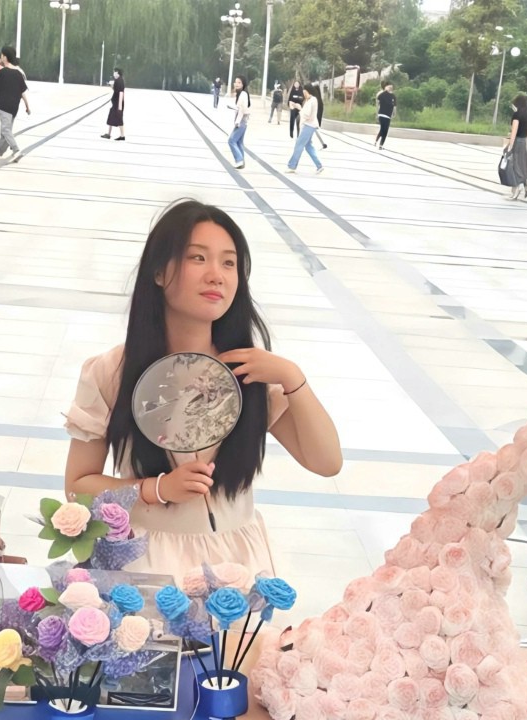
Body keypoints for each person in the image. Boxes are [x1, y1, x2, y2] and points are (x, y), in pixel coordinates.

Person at [63, 199, 342, 579]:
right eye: (198, 258)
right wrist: (157, 489)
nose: (216, 275)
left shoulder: (250, 372)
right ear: (159, 271)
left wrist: (293, 379)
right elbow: (77, 487)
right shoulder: (111, 371)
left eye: (229, 263)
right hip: (147, 561)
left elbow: (326, 462)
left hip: (240, 563)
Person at [0, 45, 30, 160]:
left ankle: (16, 150)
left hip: (3, 105)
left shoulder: (1, 72)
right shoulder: (18, 73)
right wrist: (27, 106)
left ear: (5, 57)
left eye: (2, 55)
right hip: (14, 107)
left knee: (5, 130)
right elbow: (22, 92)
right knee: (6, 130)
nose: (1, 57)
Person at [504, 93, 527, 200]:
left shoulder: (517, 115)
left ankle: (519, 186)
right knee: (521, 165)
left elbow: (514, 132)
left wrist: (510, 145)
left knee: (514, 165)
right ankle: (521, 187)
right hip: (523, 142)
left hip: (517, 142)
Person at [285, 83, 323, 175]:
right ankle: (319, 166)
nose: (303, 93)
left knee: (299, 144)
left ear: (308, 91)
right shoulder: (310, 100)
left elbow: (307, 115)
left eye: (304, 91)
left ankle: (292, 166)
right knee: (308, 146)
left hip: (309, 126)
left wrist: (299, 108)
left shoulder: (312, 100)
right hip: (309, 125)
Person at [227, 74, 250, 170]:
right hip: (243, 120)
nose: (236, 84)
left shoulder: (243, 94)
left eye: (239, 82)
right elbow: (240, 107)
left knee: (231, 140)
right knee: (239, 142)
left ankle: (239, 160)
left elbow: (242, 109)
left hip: (241, 121)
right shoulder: (241, 94)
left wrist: (237, 122)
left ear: (243, 84)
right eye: (236, 82)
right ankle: (241, 162)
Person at [101, 67, 125, 140]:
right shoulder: (117, 80)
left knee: (119, 119)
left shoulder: (120, 81)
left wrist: (120, 106)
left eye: (115, 72)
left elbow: (121, 93)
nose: (114, 73)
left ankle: (122, 136)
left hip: (118, 104)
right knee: (111, 118)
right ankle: (108, 134)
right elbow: (116, 90)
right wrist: (112, 86)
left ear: (118, 73)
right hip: (115, 104)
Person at [374, 82, 396, 150]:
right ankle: (379, 144)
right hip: (381, 114)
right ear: (386, 87)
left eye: (391, 87)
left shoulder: (393, 96)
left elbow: (394, 106)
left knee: (384, 130)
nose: (390, 88)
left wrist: (394, 113)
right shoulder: (381, 94)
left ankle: (378, 143)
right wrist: (377, 113)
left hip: (388, 115)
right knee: (383, 129)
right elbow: (377, 104)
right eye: (389, 87)